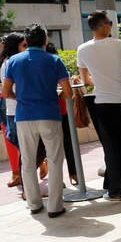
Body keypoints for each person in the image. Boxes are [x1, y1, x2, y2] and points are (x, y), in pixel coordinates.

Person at [2, 24, 72, 217]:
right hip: (49, 115)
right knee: (55, 160)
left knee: (27, 161)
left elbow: (6, 92)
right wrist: (54, 94)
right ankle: (55, 207)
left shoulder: (14, 61)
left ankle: (34, 204)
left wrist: (23, 99)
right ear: (45, 40)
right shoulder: (54, 60)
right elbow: (68, 92)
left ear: (27, 41)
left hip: (24, 117)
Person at [77, 11, 121, 201]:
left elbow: (84, 79)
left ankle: (116, 191)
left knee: (111, 147)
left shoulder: (82, 49)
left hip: (103, 102)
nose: (112, 26)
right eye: (110, 22)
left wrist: (102, 83)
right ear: (104, 25)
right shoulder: (120, 45)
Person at [46, 42, 78, 185]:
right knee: (59, 147)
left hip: (59, 112)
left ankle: (73, 174)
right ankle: (70, 176)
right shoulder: (52, 65)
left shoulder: (53, 66)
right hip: (55, 112)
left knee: (64, 145)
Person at [0, 33, 24, 188]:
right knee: (14, 141)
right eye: (24, 45)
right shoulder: (8, 63)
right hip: (9, 106)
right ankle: (19, 175)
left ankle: (20, 175)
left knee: (24, 146)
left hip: (13, 105)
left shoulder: (14, 61)